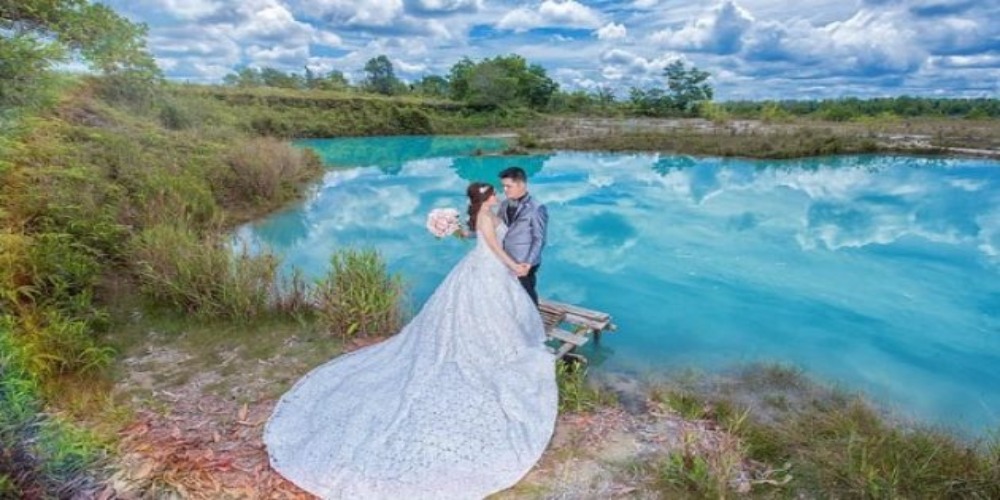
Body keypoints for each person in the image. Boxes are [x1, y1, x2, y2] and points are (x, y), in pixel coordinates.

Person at [264, 182, 557, 499]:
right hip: (487, 272)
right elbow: (493, 247)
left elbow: (476, 236)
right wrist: (514, 265)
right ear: (483, 199)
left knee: (498, 316)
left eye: (496, 192)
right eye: (492, 194)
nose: (496, 196)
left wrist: (455, 228)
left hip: (488, 273)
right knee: (473, 317)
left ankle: (501, 346)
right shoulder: (485, 218)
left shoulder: (490, 213)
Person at [498, 167, 548, 305]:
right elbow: (496, 228)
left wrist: (528, 263)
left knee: (527, 294)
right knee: (511, 294)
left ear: (521, 184)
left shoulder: (537, 208)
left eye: (509, 186)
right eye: (503, 186)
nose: (505, 190)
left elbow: (539, 238)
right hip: (506, 258)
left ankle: (535, 323)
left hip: (525, 261)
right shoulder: (504, 204)